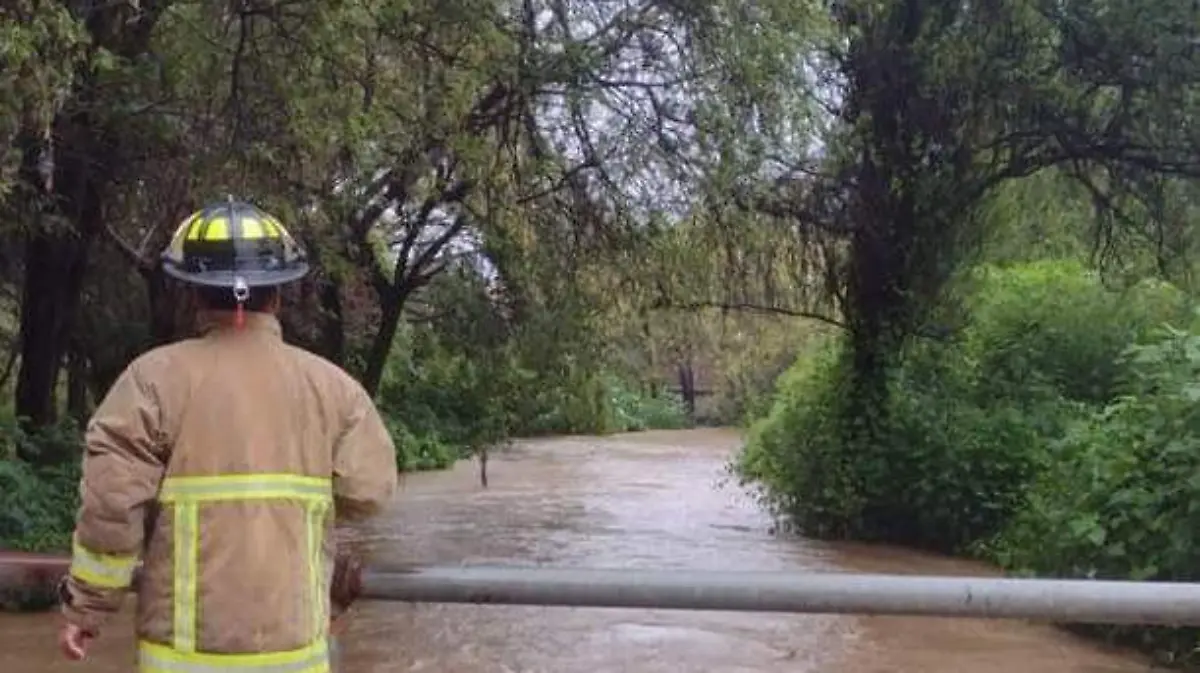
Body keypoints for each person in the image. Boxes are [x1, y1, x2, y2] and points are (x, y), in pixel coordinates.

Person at [56, 198, 399, 672]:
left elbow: (111, 508)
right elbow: (369, 493)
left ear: (194, 294)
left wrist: (86, 609)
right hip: (296, 656)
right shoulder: (335, 390)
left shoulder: (151, 381)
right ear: (277, 294)